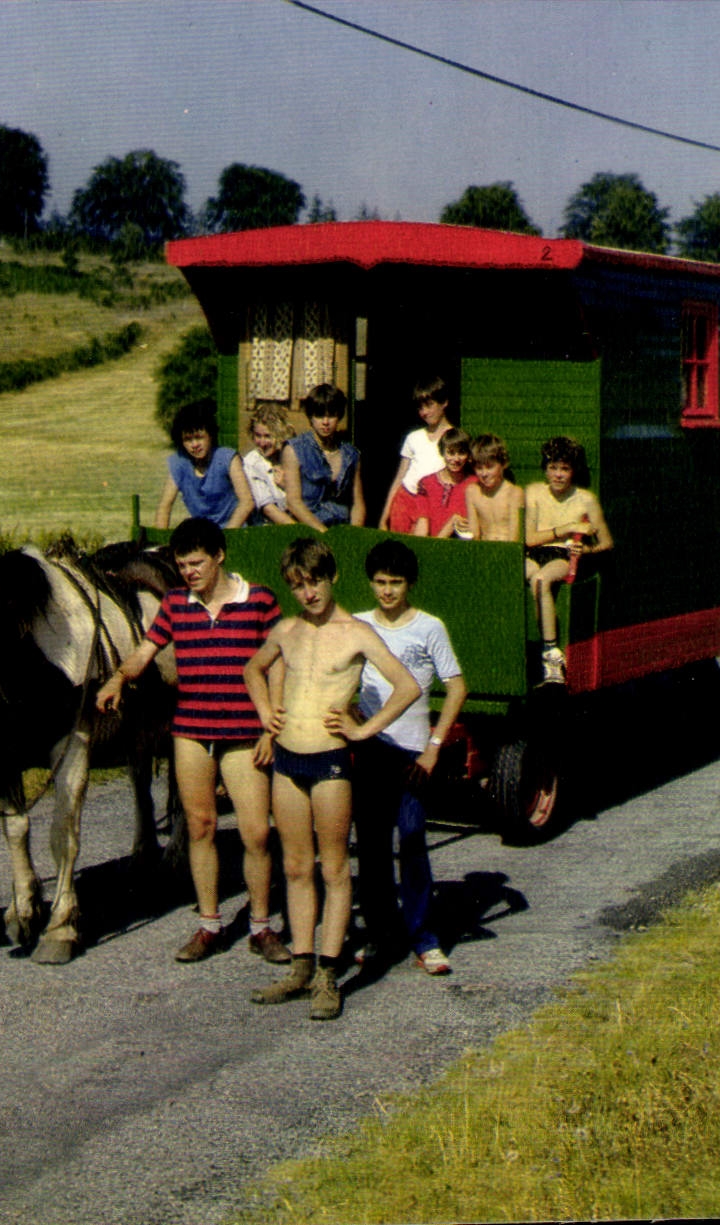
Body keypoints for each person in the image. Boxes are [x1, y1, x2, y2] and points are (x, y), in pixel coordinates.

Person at [94, 517, 289, 964]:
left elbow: (278, 660)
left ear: (219, 556)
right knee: (200, 828)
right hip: (192, 732)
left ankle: (261, 927)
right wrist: (117, 679)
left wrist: (271, 724)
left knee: (256, 832)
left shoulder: (258, 599)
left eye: (197, 563)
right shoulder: (177, 604)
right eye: (182, 564)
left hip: (245, 734)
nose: (189, 572)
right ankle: (209, 925)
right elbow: (146, 651)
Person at [242, 537, 420, 1020]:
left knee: (335, 869)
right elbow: (253, 669)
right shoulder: (287, 630)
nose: (309, 593)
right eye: (299, 585)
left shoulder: (356, 633)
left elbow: (407, 686)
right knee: (296, 868)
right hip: (287, 760)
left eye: (315, 581)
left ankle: (328, 974)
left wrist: (362, 729)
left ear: (332, 577)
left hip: (331, 764)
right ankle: (300, 966)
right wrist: (265, 714)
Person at [351, 539, 467, 974]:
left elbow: (456, 686)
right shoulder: (358, 625)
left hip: (413, 754)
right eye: (379, 582)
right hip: (369, 751)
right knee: (374, 847)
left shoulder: (429, 627)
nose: (386, 591)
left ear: (410, 583)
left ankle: (424, 936)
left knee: (414, 840)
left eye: (395, 583)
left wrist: (434, 747)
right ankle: (382, 934)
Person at [524, 436, 613, 685]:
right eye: (553, 468)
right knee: (516, 573)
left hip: (561, 556)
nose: (558, 475)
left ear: (574, 470)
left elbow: (606, 542)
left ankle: (551, 655)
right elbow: (530, 539)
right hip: (534, 551)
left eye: (564, 468)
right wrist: (566, 527)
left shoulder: (585, 499)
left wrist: (584, 550)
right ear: (545, 469)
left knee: (541, 580)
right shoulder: (534, 492)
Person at [154, 400, 254, 530]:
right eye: (188, 440)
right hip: (203, 534)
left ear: (210, 435)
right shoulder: (179, 463)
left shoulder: (227, 458)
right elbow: (165, 506)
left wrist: (227, 535)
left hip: (235, 530)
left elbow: (247, 502)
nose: (195, 445)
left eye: (199, 437)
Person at [377, 376, 456, 534]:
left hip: (431, 505)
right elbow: (399, 478)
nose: (424, 412)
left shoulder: (454, 439)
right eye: (420, 408)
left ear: (444, 402)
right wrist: (383, 518)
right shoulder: (413, 437)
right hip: (405, 500)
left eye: (429, 405)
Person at [282, 383, 365, 531]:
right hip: (308, 529)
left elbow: (357, 503)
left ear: (339, 416)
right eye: (320, 415)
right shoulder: (294, 449)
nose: (325, 422)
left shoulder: (351, 454)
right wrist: (323, 533)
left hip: (341, 528)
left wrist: (354, 534)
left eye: (331, 415)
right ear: (311, 416)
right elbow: (293, 502)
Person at [410, 427, 476, 539]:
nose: (456, 459)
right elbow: (422, 522)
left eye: (461, 453)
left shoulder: (474, 484)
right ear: (442, 452)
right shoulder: (426, 483)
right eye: (451, 453)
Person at [463, 432, 524, 543]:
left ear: (503, 464)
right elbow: (474, 534)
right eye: (479, 468)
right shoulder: (472, 491)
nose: (484, 473)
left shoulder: (514, 493)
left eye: (490, 467)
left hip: (508, 551)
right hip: (483, 549)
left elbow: (514, 538)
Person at [241, 404, 296, 525]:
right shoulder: (251, 463)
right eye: (257, 436)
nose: (262, 442)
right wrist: (299, 529)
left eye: (267, 436)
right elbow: (269, 509)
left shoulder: (290, 455)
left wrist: (287, 486)